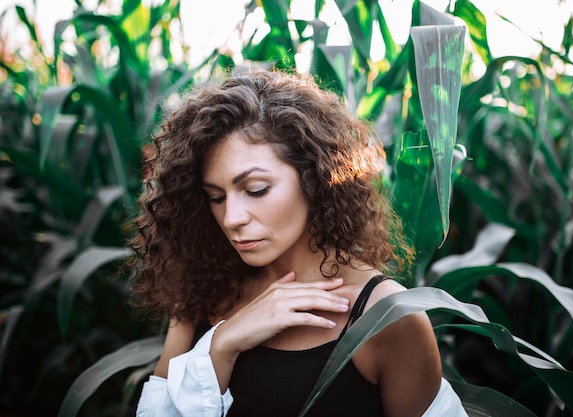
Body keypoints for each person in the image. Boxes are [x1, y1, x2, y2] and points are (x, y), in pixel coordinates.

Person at [130, 70, 468, 417]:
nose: (232, 217)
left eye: (256, 190)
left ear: (315, 178)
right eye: (216, 197)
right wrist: (222, 346)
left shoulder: (386, 317)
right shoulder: (203, 289)